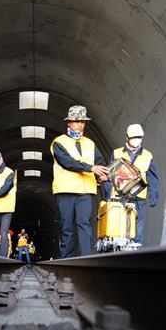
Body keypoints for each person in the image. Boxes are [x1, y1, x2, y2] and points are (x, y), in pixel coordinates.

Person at [51, 105, 109, 257]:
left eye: (82, 121)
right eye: (76, 121)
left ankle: (86, 258)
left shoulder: (90, 143)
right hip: (65, 191)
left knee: (84, 224)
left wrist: (102, 174)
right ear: (68, 123)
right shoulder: (59, 142)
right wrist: (92, 168)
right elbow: (67, 162)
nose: (80, 124)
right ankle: (67, 261)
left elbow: (100, 162)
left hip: (85, 191)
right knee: (67, 228)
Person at [102, 124, 160, 246]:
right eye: (134, 137)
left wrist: (154, 194)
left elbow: (152, 177)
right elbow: (109, 175)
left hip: (139, 197)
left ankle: (135, 254)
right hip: (119, 197)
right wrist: (107, 193)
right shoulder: (117, 153)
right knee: (119, 228)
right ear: (127, 137)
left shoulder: (148, 156)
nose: (136, 139)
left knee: (137, 231)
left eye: (139, 137)